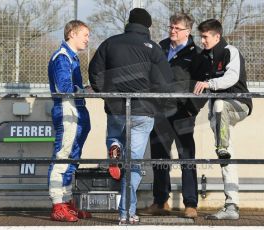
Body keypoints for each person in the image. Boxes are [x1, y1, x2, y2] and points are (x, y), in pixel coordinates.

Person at [89, 8, 174, 225]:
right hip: (143, 112)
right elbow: (165, 82)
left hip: (116, 109)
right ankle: (126, 213)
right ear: (148, 26)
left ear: (129, 22)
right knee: (134, 164)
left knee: (115, 135)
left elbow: (95, 74)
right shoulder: (153, 48)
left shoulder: (110, 42)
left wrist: (106, 96)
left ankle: (115, 146)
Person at [144, 13, 209, 218]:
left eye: (177, 28)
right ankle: (161, 201)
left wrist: (192, 109)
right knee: (159, 158)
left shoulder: (197, 54)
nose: (172, 31)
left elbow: (203, 86)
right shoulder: (159, 48)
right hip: (159, 112)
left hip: (182, 113)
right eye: (171, 27)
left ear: (188, 31)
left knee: (186, 157)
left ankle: (190, 203)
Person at [193, 19, 253, 220]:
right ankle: (231, 205)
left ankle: (222, 145)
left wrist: (209, 83)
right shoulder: (204, 57)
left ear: (217, 36)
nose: (202, 40)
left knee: (219, 106)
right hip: (218, 115)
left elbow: (232, 78)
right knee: (227, 158)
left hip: (238, 105)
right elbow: (195, 83)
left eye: (205, 36)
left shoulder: (229, 51)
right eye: (200, 36)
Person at [47, 20, 92, 222]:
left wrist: (85, 90)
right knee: (63, 155)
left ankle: (66, 202)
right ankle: (57, 204)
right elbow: (64, 87)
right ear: (72, 34)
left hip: (76, 110)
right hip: (67, 110)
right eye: (85, 35)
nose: (87, 39)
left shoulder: (71, 57)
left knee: (72, 158)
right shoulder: (62, 57)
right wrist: (83, 90)